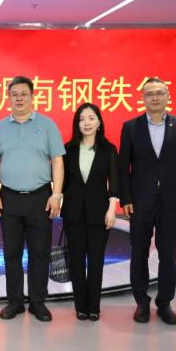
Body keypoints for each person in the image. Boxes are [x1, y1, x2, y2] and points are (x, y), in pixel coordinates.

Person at [0, 76, 65, 322]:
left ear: (32, 97)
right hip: (9, 197)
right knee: (11, 252)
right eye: (15, 94)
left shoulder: (47, 125)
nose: (19, 98)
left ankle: (37, 302)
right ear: (8, 97)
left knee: (40, 252)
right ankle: (15, 302)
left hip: (40, 197)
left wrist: (56, 194)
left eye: (24, 94)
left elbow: (57, 160)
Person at [119, 77, 176, 325]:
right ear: (142, 98)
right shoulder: (131, 127)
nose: (155, 98)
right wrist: (126, 198)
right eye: (149, 94)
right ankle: (141, 303)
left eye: (160, 93)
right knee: (139, 253)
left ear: (168, 96)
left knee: (168, 254)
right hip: (140, 202)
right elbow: (123, 166)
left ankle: (165, 303)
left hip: (171, 202)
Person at [60, 103, 119, 322]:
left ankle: (94, 307)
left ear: (99, 122)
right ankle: (81, 307)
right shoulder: (68, 149)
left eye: (91, 118)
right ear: (77, 124)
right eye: (82, 119)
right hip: (73, 214)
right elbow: (61, 182)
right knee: (76, 262)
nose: (86, 123)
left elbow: (115, 183)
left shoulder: (108, 149)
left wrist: (112, 210)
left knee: (96, 262)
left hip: (99, 213)